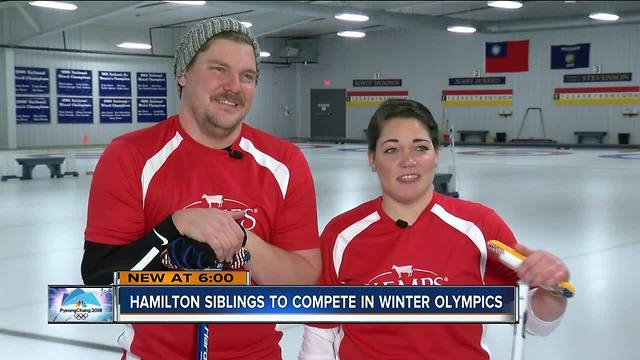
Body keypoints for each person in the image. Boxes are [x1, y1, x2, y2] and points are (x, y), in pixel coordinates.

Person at [81, 17, 321, 359]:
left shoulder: (284, 163)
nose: (234, 86)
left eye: (248, 76)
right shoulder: (130, 157)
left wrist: (239, 240)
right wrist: (172, 229)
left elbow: (304, 283)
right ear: (184, 74)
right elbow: (99, 285)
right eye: (219, 69)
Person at [299, 99, 570, 359]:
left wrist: (552, 289)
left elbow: (535, 322)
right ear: (372, 159)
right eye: (391, 149)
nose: (408, 161)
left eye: (420, 148)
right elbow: (320, 333)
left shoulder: (480, 226)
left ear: (436, 154)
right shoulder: (341, 235)